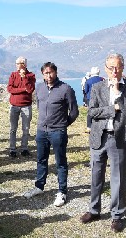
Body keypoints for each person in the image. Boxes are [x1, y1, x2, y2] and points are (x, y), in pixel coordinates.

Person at [79, 53, 126, 233]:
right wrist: (114, 107)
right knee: (96, 176)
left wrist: (118, 94)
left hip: (119, 139)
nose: (114, 71)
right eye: (111, 67)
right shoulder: (97, 87)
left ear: (123, 67)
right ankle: (94, 210)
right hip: (99, 137)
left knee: (118, 179)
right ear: (105, 68)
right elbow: (92, 112)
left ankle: (117, 215)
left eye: (118, 67)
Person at [23, 62, 79, 207]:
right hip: (42, 131)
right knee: (41, 159)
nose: (49, 75)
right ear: (43, 74)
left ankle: (62, 192)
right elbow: (40, 106)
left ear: (56, 72)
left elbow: (74, 112)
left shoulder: (66, 89)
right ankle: (39, 187)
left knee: (60, 163)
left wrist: (63, 125)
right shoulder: (40, 88)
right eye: (46, 73)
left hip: (57, 132)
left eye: (51, 72)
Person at [7, 56, 36, 158]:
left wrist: (24, 78)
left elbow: (30, 89)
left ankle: (24, 148)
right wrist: (22, 89)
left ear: (24, 65)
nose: (17, 66)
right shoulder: (13, 75)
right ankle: (12, 149)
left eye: (19, 63)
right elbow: (10, 89)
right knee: (13, 128)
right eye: (16, 63)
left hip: (26, 106)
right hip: (14, 105)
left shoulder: (31, 75)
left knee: (26, 129)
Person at [83, 67, 104, 133]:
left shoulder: (88, 81)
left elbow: (86, 90)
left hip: (90, 98)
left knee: (90, 112)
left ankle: (89, 127)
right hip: (100, 98)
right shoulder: (102, 80)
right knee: (100, 111)